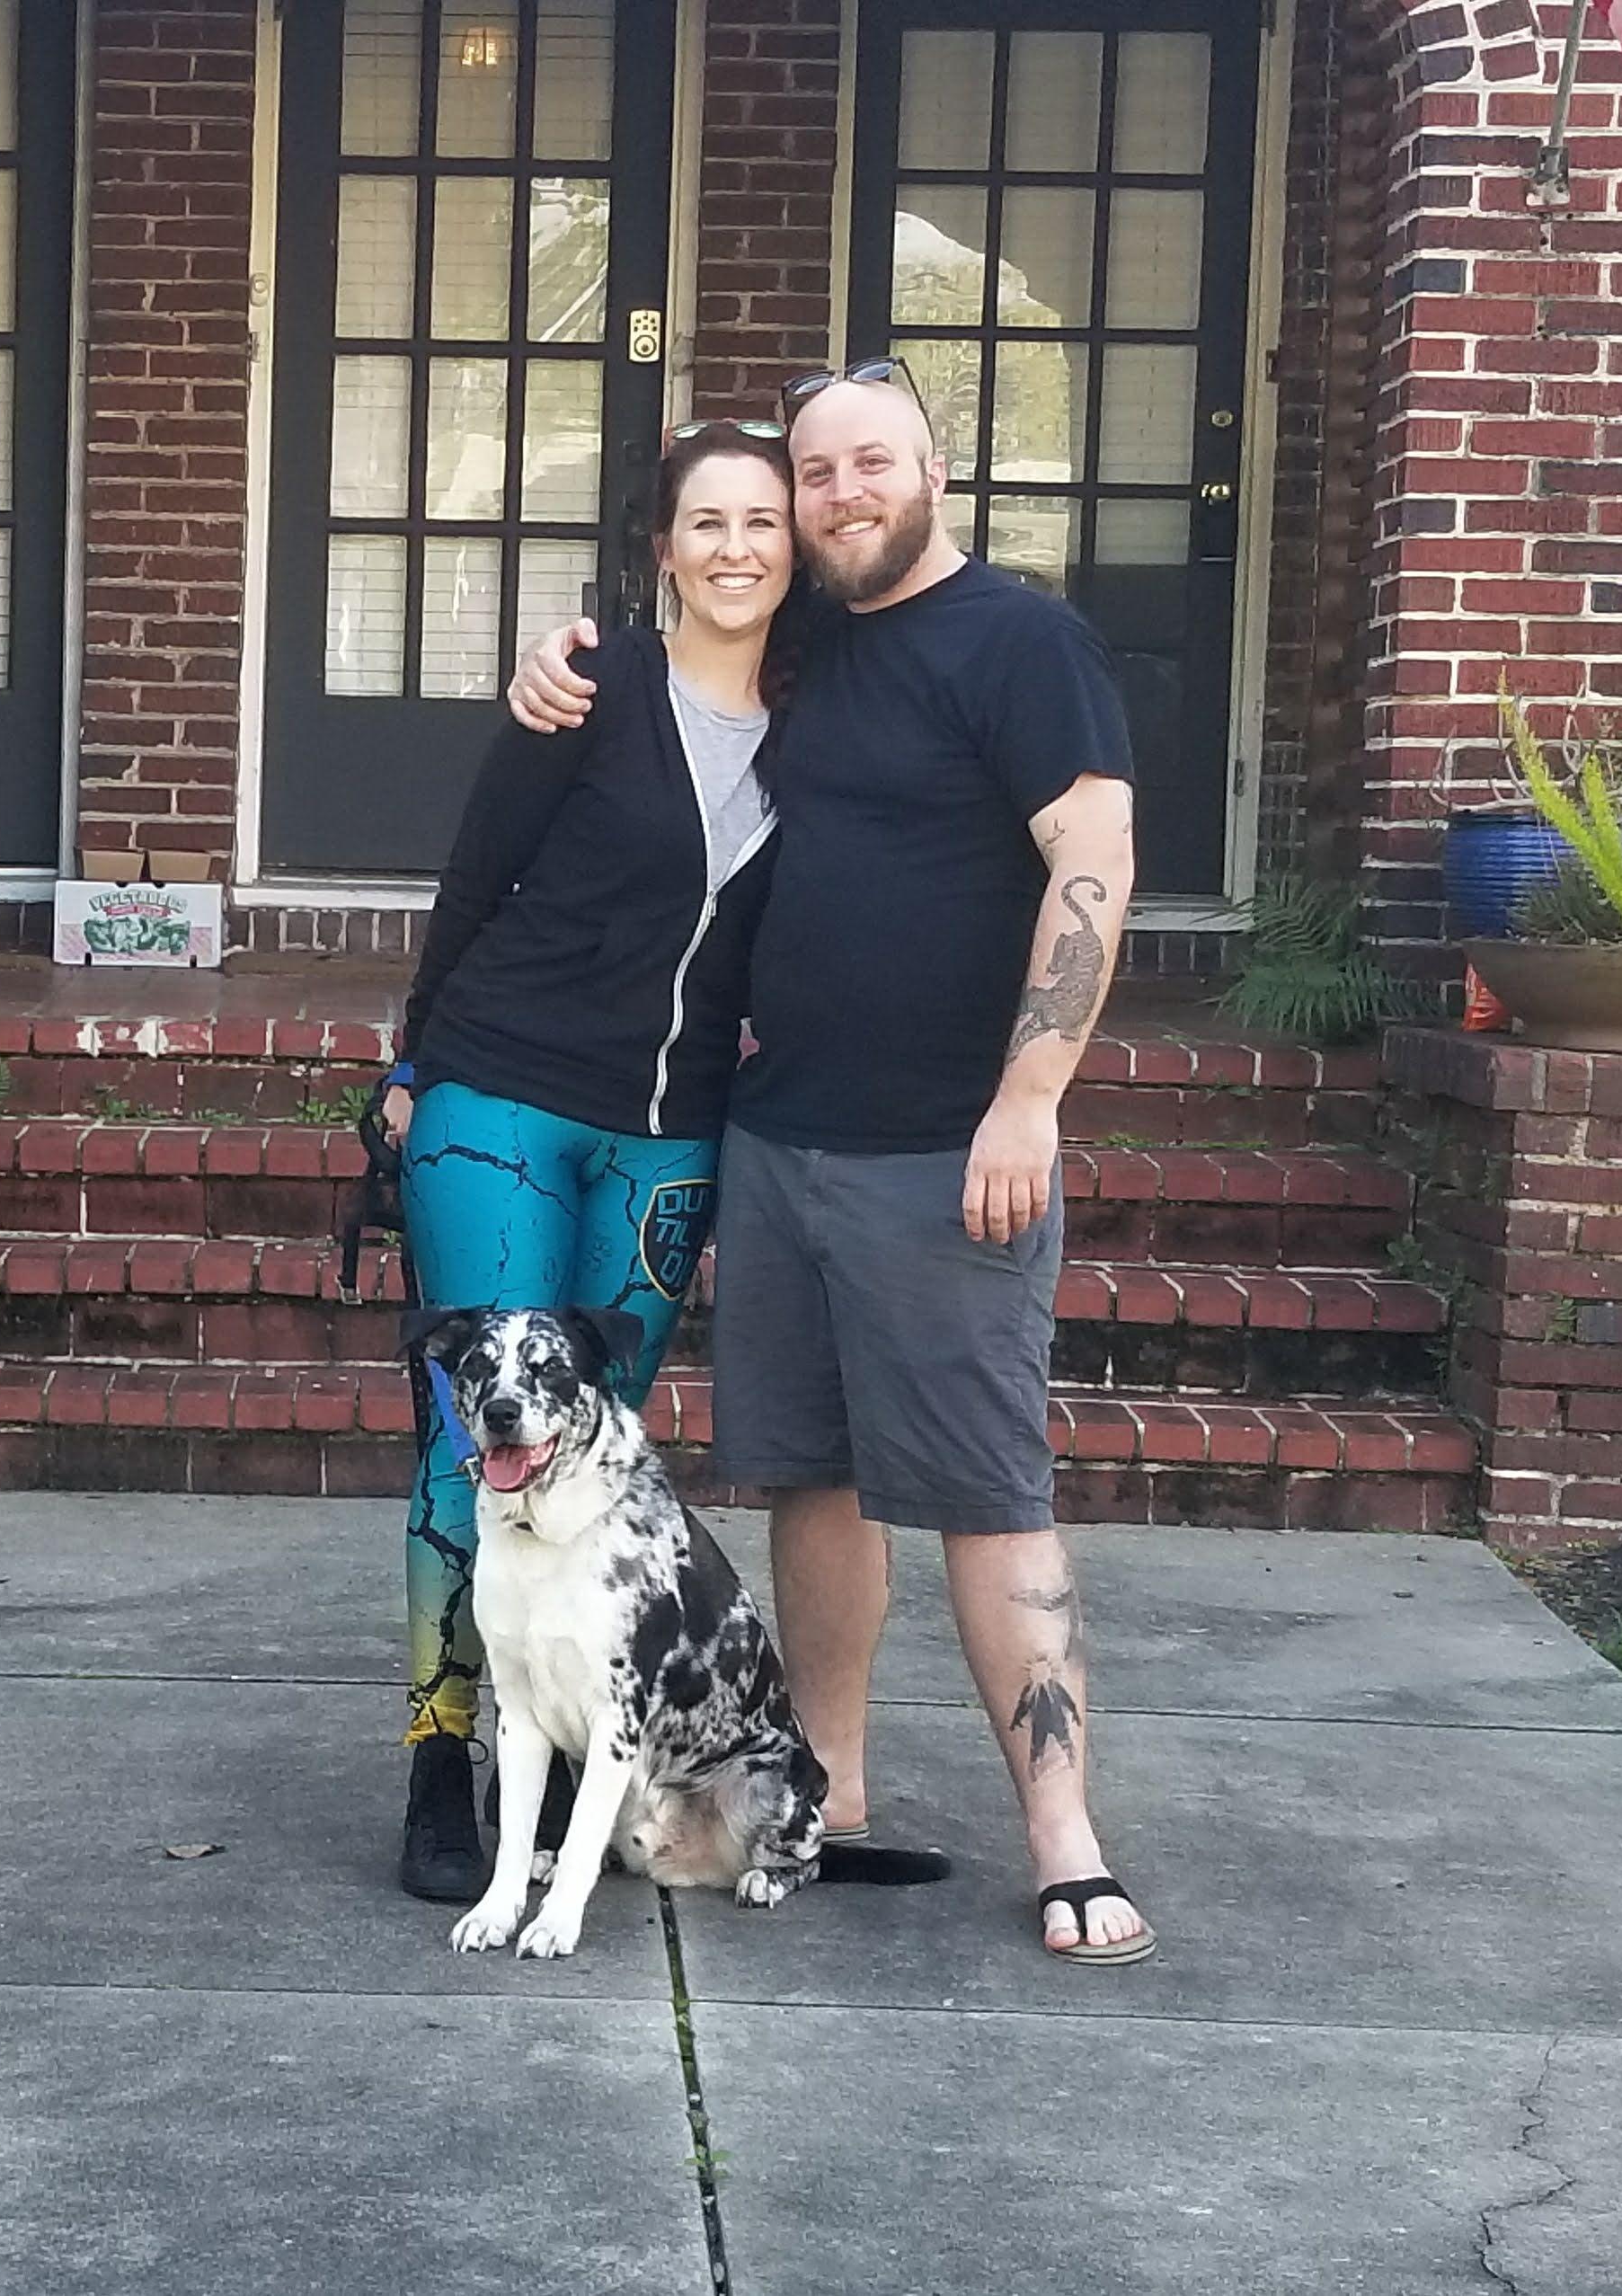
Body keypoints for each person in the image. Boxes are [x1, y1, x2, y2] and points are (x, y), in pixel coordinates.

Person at [507, 363, 1153, 1963]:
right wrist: (552, 665)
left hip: (948, 1150)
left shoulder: (1021, 642)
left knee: (989, 1490)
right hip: (778, 1136)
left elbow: (1091, 860)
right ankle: (833, 1786)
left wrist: (1031, 1097)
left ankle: (1065, 1840)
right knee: (813, 1478)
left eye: (875, 461)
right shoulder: (808, 641)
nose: (843, 492)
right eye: (818, 471)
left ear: (936, 472)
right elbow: (679, 654)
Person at [380, 420, 795, 1902]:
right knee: (478, 1440)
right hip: (500, 1097)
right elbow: (474, 876)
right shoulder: (594, 688)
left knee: (592, 1451)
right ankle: (443, 1770)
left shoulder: (824, 724)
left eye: (764, 521)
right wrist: (412, 1067)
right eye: (708, 522)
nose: (737, 548)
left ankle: (563, 1762)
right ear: (662, 549)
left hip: (669, 1135)